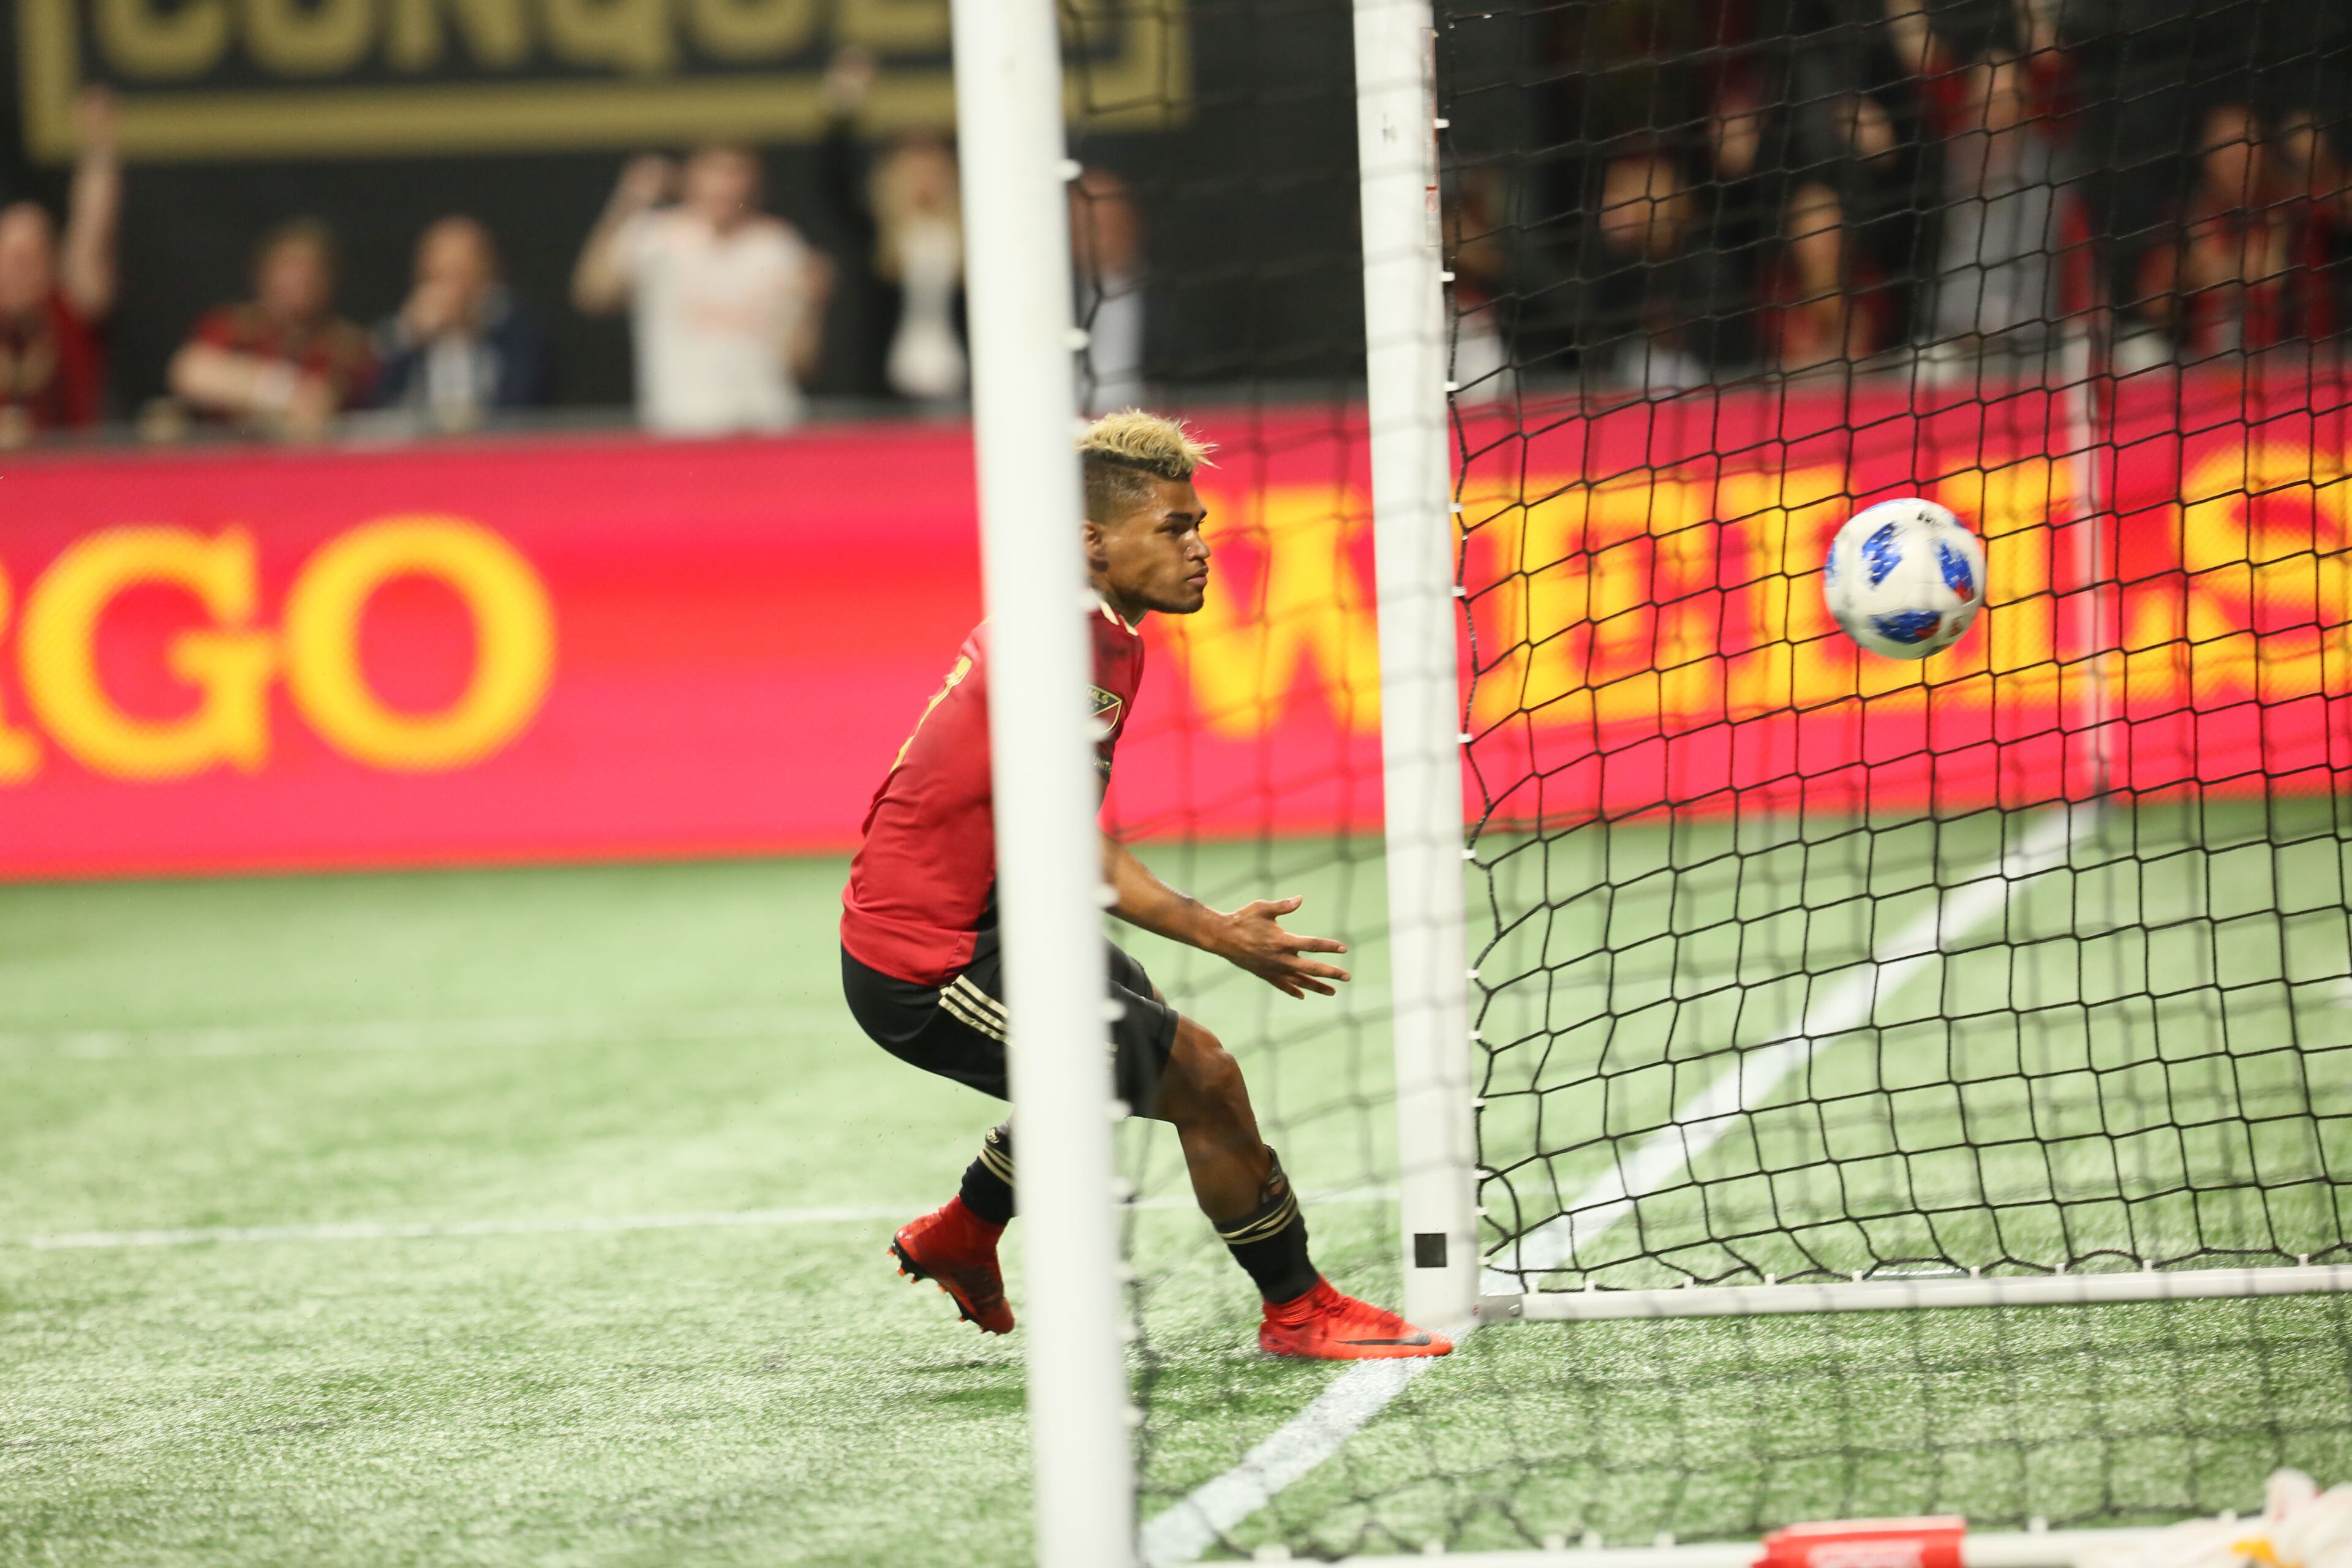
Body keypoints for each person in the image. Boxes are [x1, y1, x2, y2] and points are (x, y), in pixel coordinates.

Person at [840, 410, 1452, 1362]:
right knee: (1199, 1075)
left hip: (1002, 917)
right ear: (1091, 541)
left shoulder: (1098, 626)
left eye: (1197, 523)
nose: (1200, 548)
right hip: (931, 963)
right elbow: (1071, 849)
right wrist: (1220, 933)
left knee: (1135, 1036)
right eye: (1173, 529)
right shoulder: (1062, 643)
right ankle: (1298, 1310)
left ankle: (964, 1232)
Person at [572, 144, 833, 435]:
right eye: (713, 170)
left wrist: (812, 307)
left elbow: (800, 363)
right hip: (681, 428)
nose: (724, 185)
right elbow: (593, 294)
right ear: (688, 177)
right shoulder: (658, 236)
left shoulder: (777, 245)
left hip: (765, 426)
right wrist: (628, 202)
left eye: (735, 173)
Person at [168, 219, 376, 436]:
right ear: (263, 273)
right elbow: (190, 372)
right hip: (227, 456)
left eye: (309, 273)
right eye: (288, 270)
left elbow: (325, 403)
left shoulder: (345, 347)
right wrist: (285, 393)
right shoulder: (234, 327)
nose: (297, 283)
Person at [0, 90, 119, 442]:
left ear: (50, 265)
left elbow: (92, 229)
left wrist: (99, 145)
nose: (16, 272)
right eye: (7, 260)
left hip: (70, 478)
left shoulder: (68, 313)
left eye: (28, 260)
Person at [372, 216, 548, 428]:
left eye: (460, 274)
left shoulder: (515, 329)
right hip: (420, 452)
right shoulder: (404, 337)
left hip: (495, 449)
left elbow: (525, 398)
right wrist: (409, 337)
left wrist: (473, 327)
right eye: (439, 276)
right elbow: (380, 404)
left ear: (487, 274)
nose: (450, 290)